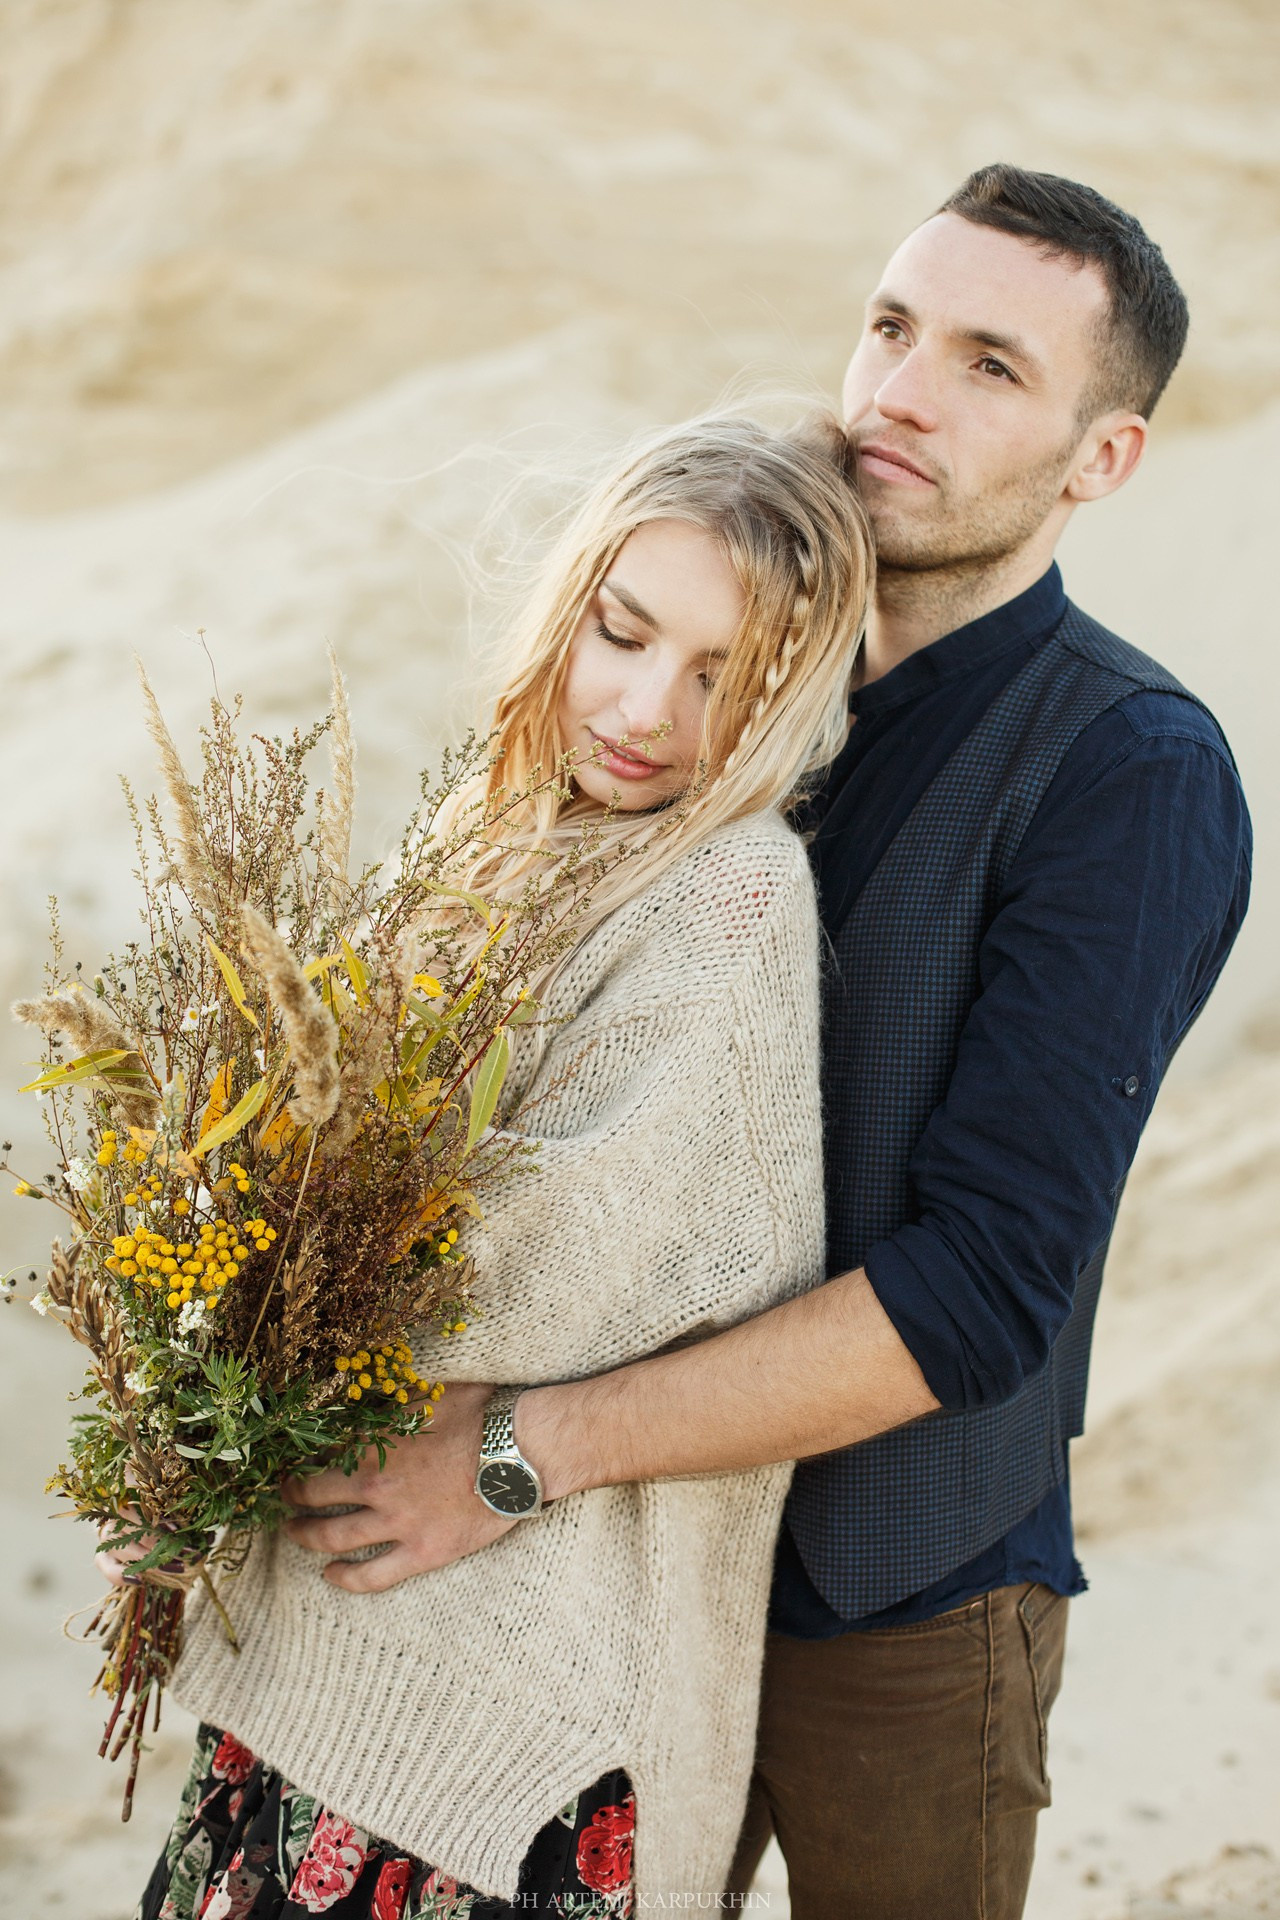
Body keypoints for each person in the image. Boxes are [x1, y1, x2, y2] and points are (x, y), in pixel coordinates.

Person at [351, 166, 1253, 1919]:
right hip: (612, 1576)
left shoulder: (1130, 774)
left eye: (992, 364)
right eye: (893, 325)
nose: (900, 390)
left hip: (891, 1612)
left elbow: (982, 1289)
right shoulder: (725, 679)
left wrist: (522, 1450)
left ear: (1104, 458)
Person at [99, 413, 875, 1916]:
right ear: (568, 605)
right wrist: (190, 1406)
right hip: (333, 1669)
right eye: (626, 633)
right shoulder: (490, 837)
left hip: (505, 1735)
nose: (649, 708)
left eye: (725, 677)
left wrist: (267, 1309)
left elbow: (555, 1256)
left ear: (790, 701)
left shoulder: (729, 894)